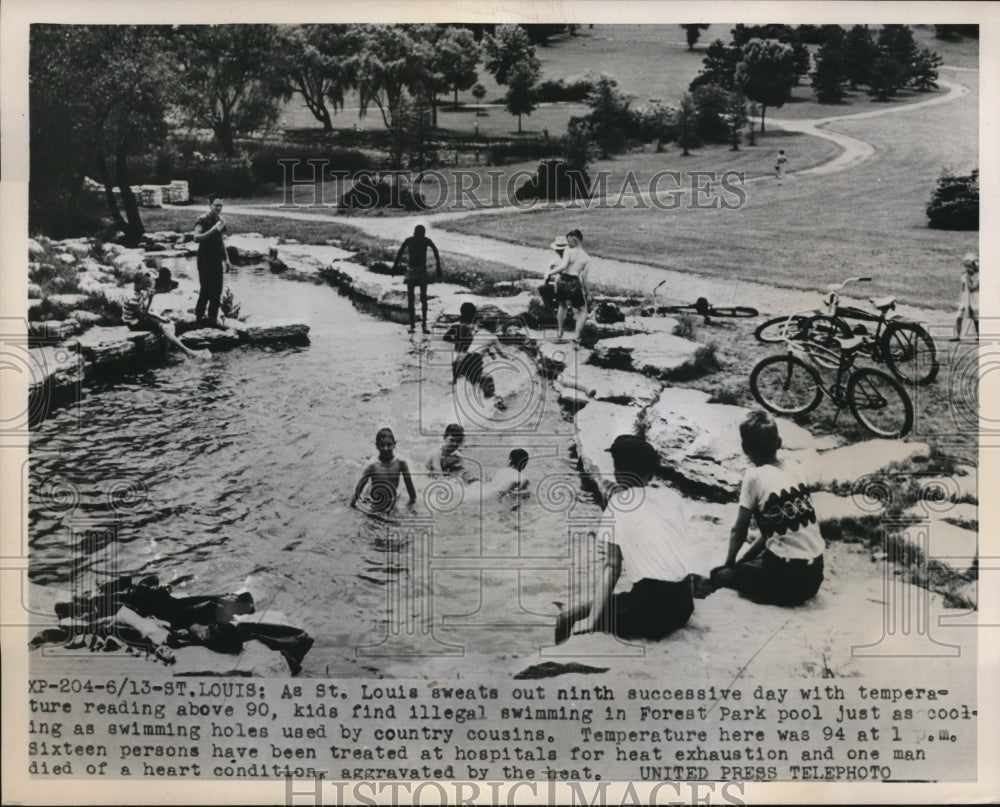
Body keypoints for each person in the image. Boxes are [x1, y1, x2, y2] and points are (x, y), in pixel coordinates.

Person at [555, 435, 694, 644]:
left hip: (651, 611)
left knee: (566, 618)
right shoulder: (672, 498)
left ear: (617, 473)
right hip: (684, 604)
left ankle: (560, 663)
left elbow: (612, 566)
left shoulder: (618, 504)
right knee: (625, 597)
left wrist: (593, 619)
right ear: (652, 472)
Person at [709, 410, 825, 605]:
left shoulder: (754, 477)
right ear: (779, 443)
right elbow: (779, 525)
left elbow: (739, 530)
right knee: (755, 562)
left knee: (718, 575)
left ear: (745, 449)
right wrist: (747, 558)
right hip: (814, 577)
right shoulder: (795, 468)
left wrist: (730, 565)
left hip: (787, 578)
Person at [122, 269, 211, 360]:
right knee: (165, 327)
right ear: (139, 283)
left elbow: (154, 288)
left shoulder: (139, 290)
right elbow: (141, 316)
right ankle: (189, 352)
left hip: (142, 317)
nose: (147, 285)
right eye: (145, 283)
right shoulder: (131, 297)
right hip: (134, 323)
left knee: (170, 324)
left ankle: (165, 356)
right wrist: (151, 299)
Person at [350, 428, 417, 513]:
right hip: (375, 500)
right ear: (377, 446)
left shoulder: (401, 462)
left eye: (389, 445)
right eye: (382, 445)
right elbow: (358, 490)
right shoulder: (372, 465)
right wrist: (352, 506)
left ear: (394, 444)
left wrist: (412, 507)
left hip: (392, 499)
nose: (385, 448)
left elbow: (411, 489)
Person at [392, 225, 442, 334]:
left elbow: (400, 252)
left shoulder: (415, 240)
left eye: (420, 234)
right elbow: (435, 250)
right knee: (417, 297)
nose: (419, 236)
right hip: (414, 271)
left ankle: (418, 324)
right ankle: (416, 324)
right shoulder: (422, 240)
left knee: (417, 298)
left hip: (417, 271)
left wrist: (395, 266)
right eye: (419, 234)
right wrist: (438, 266)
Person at [544, 229, 591, 344]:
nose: (568, 244)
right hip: (574, 283)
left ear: (575, 240)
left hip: (563, 281)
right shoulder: (587, 258)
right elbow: (584, 278)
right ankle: (576, 336)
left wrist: (550, 273)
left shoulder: (568, 251)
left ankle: (560, 332)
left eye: (569, 241)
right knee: (582, 311)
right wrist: (588, 293)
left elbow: (563, 266)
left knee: (562, 306)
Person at [193, 196, 231, 326]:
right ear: (209, 204)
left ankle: (212, 318)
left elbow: (220, 241)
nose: (219, 208)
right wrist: (213, 229)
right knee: (206, 289)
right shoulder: (203, 219)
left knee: (217, 290)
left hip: (216, 258)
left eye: (221, 205)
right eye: (216, 205)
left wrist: (226, 259)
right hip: (204, 258)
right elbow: (196, 238)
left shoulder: (220, 220)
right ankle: (198, 317)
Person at [953, 252, 979, 341]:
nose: (968, 269)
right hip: (965, 298)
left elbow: (973, 288)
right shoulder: (964, 276)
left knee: (976, 318)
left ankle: (979, 335)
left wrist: (968, 279)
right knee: (959, 316)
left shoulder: (978, 277)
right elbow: (963, 289)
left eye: (970, 268)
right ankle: (958, 336)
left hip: (974, 298)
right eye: (966, 267)